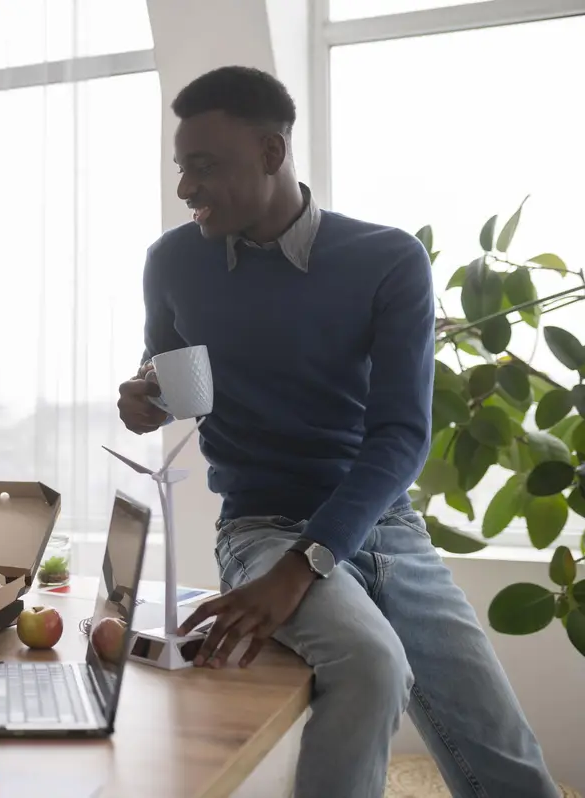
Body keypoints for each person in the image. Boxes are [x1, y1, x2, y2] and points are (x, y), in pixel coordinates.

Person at [117, 66, 558, 798]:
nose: (185, 189)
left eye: (204, 166)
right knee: (371, 664)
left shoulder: (386, 261)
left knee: (510, 762)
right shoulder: (171, 263)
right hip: (260, 526)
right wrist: (149, 402)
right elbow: (181, 386)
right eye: (180, 167)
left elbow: (399, 436)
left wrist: (305, 566)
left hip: (382, 525)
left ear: (268, 153)